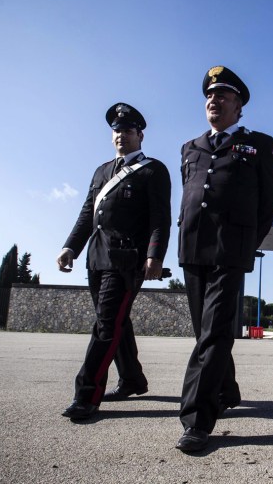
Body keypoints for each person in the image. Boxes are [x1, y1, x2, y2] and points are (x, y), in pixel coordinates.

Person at [175, 66, 273, 452]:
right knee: (205, 333)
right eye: (209, 96)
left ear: (239, 106)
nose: (213, 101)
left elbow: (269, 202)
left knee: (215, 331)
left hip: (230, 248)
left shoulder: (260, 144)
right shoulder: (191, 146)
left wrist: (249, 242)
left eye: (222, 96)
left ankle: (197, 420)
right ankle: (227, 390)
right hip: (192, 248)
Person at [57, 103, 172, 420]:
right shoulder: (101, 171)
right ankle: (132, 379)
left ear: (140, 135)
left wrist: (154, 256)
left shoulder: (153, 170)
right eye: (116, 131)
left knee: (106, 325)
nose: (121, 135)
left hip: (126, 261)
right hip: (96, 259)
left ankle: (86, 395)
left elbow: (160, 219)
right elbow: (86, 214)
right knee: (116, 322)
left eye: (127, 130)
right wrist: (70, 247)